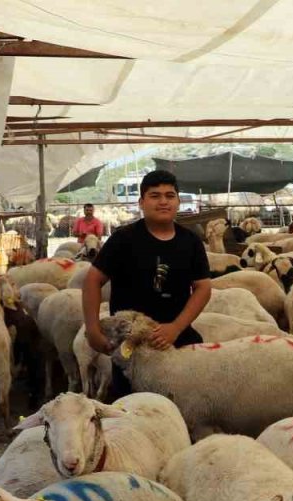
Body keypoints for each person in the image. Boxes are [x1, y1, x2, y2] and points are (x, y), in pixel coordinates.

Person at [83, 170, 212, 400]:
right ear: (141, 202)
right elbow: (93, 280)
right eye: (155, 195)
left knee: (186, 406)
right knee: (133, 407)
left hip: (176, 341)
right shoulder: (124, 239)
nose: (163, 201)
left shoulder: (190, 241)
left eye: (169, 195)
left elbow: (202, 288)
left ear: (178, 201)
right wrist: (92, 329)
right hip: (131, 345)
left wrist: (176, 327)